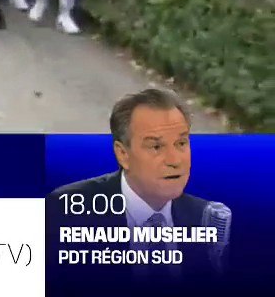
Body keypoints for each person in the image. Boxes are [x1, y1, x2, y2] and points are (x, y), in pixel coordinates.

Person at [46, 88, 221, 284]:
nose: (175, 160)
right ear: (123, 155)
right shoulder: (67, 211)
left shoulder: (207, 219)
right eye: (156, 147)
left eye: (181, 143)